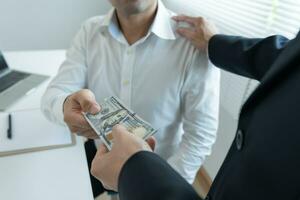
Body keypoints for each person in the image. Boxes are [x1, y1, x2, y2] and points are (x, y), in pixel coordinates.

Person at [90, 15, 300, 200]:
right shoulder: (90, 29)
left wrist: (136, 175)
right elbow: (289, 56)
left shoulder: (187, 46)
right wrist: (218, 44)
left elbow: (200, 135)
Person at [41, 0, 220, 197]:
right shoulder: (89, 30)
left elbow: (200, 134)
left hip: (161, 174)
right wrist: (66, 105)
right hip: (102, 161)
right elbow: (54, 95)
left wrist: (158, 187)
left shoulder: (196, 41)